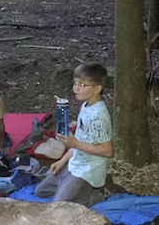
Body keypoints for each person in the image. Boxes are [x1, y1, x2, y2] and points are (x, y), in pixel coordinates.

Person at [35, 62, 113, 206]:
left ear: (97, 89)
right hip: (74, 164)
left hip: (88, 170)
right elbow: (79, 139)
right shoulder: (85, 106)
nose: (75, 88)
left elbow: (107, 151)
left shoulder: (98, 116)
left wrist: (75, 144)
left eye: (82, 85)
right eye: (75, 83)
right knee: (40, 191)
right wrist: (61, 161)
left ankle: (99, 194)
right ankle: (69, 188)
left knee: (59, 206)